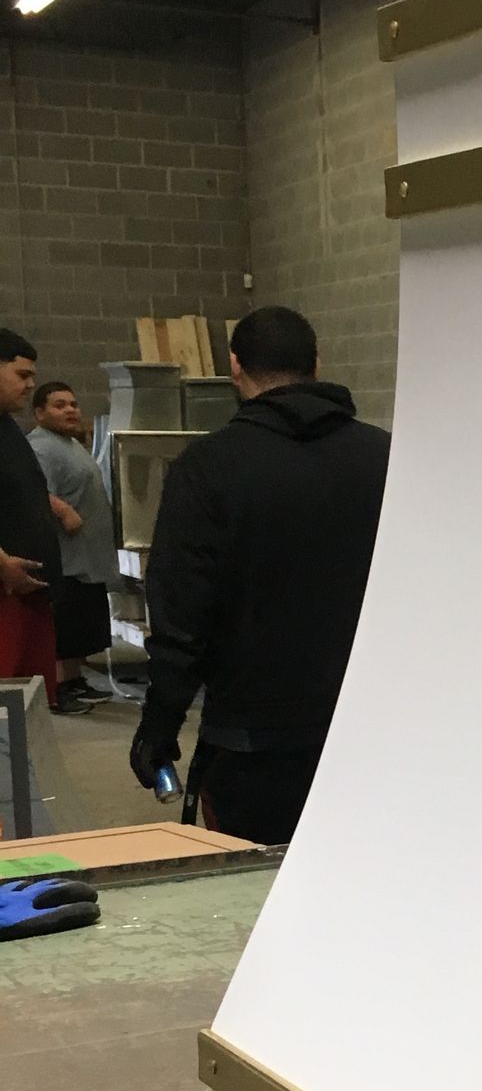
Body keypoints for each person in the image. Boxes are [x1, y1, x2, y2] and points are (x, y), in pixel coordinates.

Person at [131, 306, 390, 844]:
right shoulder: (388, 458)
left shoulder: (207, 468)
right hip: (372, 732)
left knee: (257, 881)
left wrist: (160, 726)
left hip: (252, 743)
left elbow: (181, 615)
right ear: (317, 364)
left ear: (234, 366)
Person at [27, 379, 117, 712]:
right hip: (66, 557)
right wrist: (64, 510)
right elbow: (36, 489)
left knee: (81, 625)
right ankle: (59, 689)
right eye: (59, 405)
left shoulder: (69, 443)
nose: (70, 410)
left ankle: (75, 680)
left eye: (73, 404)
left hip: (86, 556)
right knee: (65, 626)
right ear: (40, 413)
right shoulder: (40, 446)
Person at [0, 328, 59, 700]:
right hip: (5, 594)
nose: (31, 385)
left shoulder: (9, 427)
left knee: (27, 710)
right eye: (22, 375)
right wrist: (2, 563)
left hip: (28, 595)